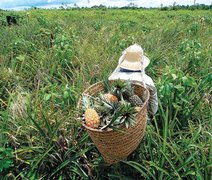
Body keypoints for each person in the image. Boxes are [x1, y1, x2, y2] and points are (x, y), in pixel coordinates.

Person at [108, 43, 158, 115]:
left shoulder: (113, 78)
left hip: (113, 116)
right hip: (141, 119)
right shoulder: (148, 81)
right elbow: (153, 110)